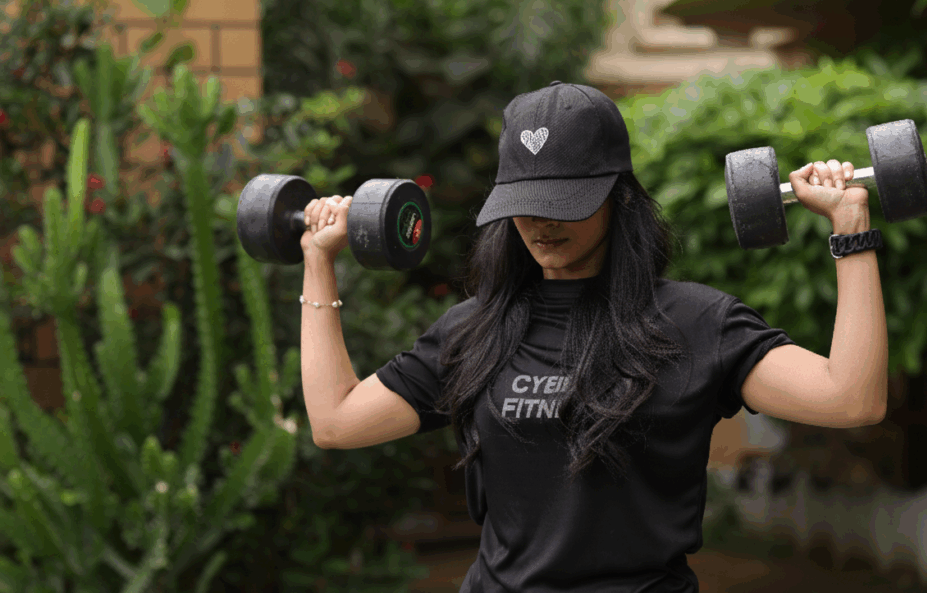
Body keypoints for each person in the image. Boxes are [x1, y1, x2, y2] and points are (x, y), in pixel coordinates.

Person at [298, 81, 888, 592]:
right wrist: (318, 259)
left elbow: (850, 399)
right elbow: (336, 421)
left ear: (618, 197)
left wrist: (851, 228)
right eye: (525, 203)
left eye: (564, 202)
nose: (541, 222)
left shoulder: (697, 322)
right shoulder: (473, 330)